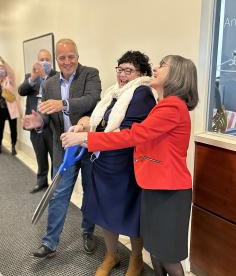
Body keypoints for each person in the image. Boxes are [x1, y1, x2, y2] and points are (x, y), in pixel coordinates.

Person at [61, 55, 199, 276]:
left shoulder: (172, 107)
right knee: (155, 250)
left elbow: (133, 135)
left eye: (162, 66)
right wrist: (87, 129)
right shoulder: (163, 104)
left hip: (169, 190)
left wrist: (87, 139)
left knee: (167, 255)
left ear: (177, 75)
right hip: (155, 185)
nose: (156, 68)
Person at [68, 51, 156, 276]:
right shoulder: (113, 93)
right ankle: (112, 255)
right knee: (104, 212)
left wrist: (87, 138)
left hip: (126, 166)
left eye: (129, 70)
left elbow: (127, 134)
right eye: (120, 69)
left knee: (130, 214)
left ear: (141, 74)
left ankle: (136, 259)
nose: (123, 75)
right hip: (103, 161)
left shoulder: (142, 93)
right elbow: (103, 124)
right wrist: (84, 127)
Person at [22, 38, 101, 257]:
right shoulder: (49, 84)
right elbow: (48, 118)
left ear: (77, 56)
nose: (67, 61)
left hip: (87, 145)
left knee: (89, 190)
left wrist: (63, 104)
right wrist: (39, 123)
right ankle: (50, 243)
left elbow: (92, 99)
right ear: (57, 59)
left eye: (71, 56)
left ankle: (88, 232)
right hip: (63, 147)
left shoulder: (90, 74)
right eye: (62, 57)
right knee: (58, 194)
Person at [18, 49, 56, 193]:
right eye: (41, 59)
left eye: (47, 59)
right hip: (35, 125)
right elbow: (21, 91)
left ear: (51, 61)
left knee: (55, 156)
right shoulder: (31, 77)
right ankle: (41, 182)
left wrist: (46, 77)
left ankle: (55, 184)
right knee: (40, 155)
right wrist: (33, 78)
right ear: (37, 60)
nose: (44, 62)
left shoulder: (56, 76)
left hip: (52, 124)